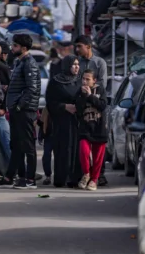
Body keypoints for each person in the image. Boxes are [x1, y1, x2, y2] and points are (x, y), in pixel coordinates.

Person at [0, 34, 41, 189]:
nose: (12, 49)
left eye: (15, 46)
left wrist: (19, 106)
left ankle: (30, 179)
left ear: (23, 48)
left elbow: (31, 89)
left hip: (24, 111)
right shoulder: (20, 62)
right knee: (16, 145)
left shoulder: (29, 64)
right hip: (17, 111)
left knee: (27, 145)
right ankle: (10, 177)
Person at [74, 35, 109, 186]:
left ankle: (97, 176)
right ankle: (85, 175)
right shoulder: (79, 63)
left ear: (88, 46)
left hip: (98, 111)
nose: (77, 50)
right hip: (83, 110)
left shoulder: (99, 62)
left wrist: (90, 93)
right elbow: (77, 84)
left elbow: (102, 85)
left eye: (79, 46)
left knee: (99, 148)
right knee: (83, 146)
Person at [46, 55, 83, 188]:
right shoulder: (56, 82)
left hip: (77, 121)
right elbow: (50, 102)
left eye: (78, 64)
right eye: (73, 64)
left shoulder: (80, 81)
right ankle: (62, 178)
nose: (76, 67)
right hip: (62, 121)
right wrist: (65, 107)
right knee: (63, 149)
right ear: (66, 66)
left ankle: (75, 178)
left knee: (77, 149)